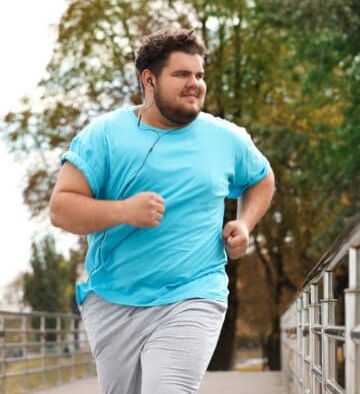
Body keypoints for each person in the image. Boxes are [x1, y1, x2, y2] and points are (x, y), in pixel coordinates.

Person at [49, 27, 275, 394]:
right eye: (182, 75)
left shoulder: (225, 138)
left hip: (194, 291)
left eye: (199, 75)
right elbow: (61, 209)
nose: (195, 84)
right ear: (149, 80)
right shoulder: (103, 136)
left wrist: (245, 223)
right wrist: (123, 211)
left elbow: (262, 179)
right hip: (113, 299)